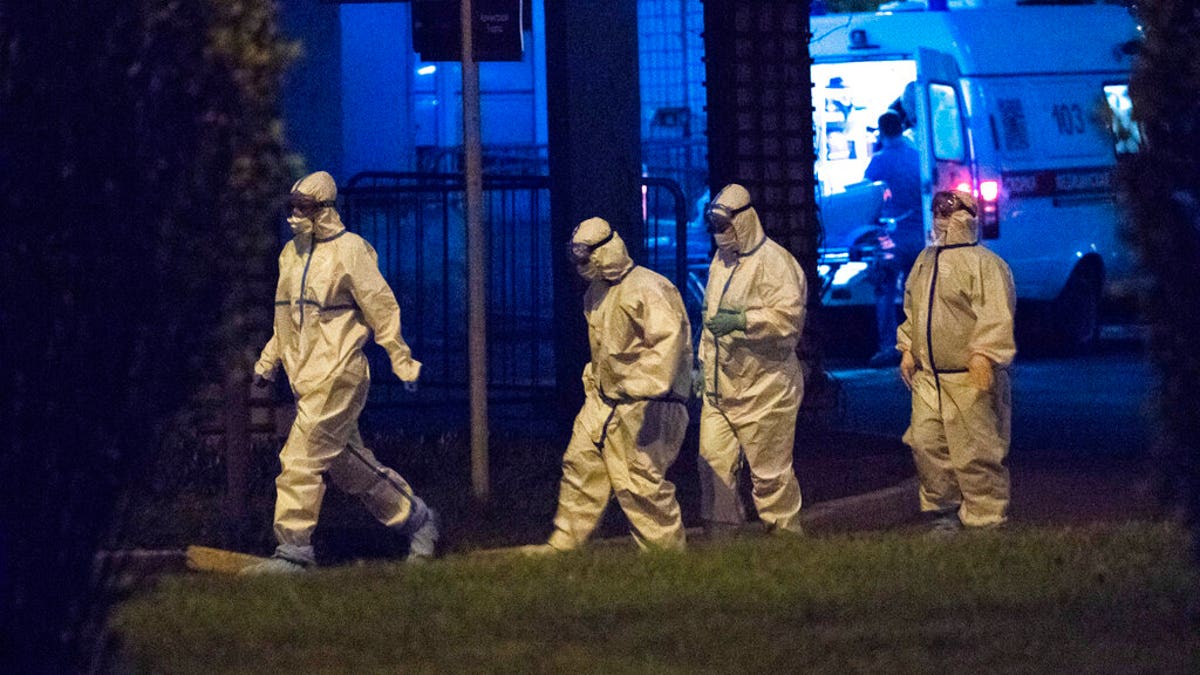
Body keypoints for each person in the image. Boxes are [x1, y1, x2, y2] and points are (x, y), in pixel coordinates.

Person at [244, 170, 438, 574]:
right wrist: (268, 362)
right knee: (350, 466)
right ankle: (418, 520)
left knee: (299, 458)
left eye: (305, 207)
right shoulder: (291, 254)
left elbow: (380, 307)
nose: (295, 214)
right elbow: (286, 319)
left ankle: (295, 552)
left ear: (325, 210)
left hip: (339, 373)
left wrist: (401, 359)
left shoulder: (351, 251)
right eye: (292, 206)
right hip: (306, 377)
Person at [540, 217, 693, 552]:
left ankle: (665, 558)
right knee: (581, 462)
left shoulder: (650, 288)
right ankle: (565, 542)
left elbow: (666, 350)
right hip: (607, 400)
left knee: (640, 484)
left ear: (604, 251)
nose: (580, 265)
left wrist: (638, 387)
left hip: (651, 403)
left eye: (585, 256)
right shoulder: (597, 293)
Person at [897, 189, 1016, 534]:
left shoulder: (986, 265)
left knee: (975, 453)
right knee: (926, 443)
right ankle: (945, 512)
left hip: (969, 378)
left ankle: (986, 520)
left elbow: (995, 314)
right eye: (937, 209)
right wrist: (908, 347)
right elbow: (913, 308)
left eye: (948, 210)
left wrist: (984, 353)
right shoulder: (925, 261)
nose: (941, 217)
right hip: (930, 378)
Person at [697, 184, 807, 537]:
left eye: (724, 226)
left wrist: (745, 321)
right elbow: (710, 319)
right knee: (713, 468)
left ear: (743, 221)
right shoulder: (722, 262)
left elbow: (788, 321)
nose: (719, 234)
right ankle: (723, 550)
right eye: (714, 227)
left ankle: (786, 544)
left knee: (770, 477)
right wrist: (702, 366)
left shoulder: (776, 264)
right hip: (721, 391)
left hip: (765, 390)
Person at [864, 109, 923, 368]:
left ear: (882, 131)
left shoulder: (879, 161)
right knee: (916, 294)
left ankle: (888, 346)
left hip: (890, 238)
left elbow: (867, 197)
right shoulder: (918, 157)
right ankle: (919, 345)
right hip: (919, 235)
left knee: (885, 290)